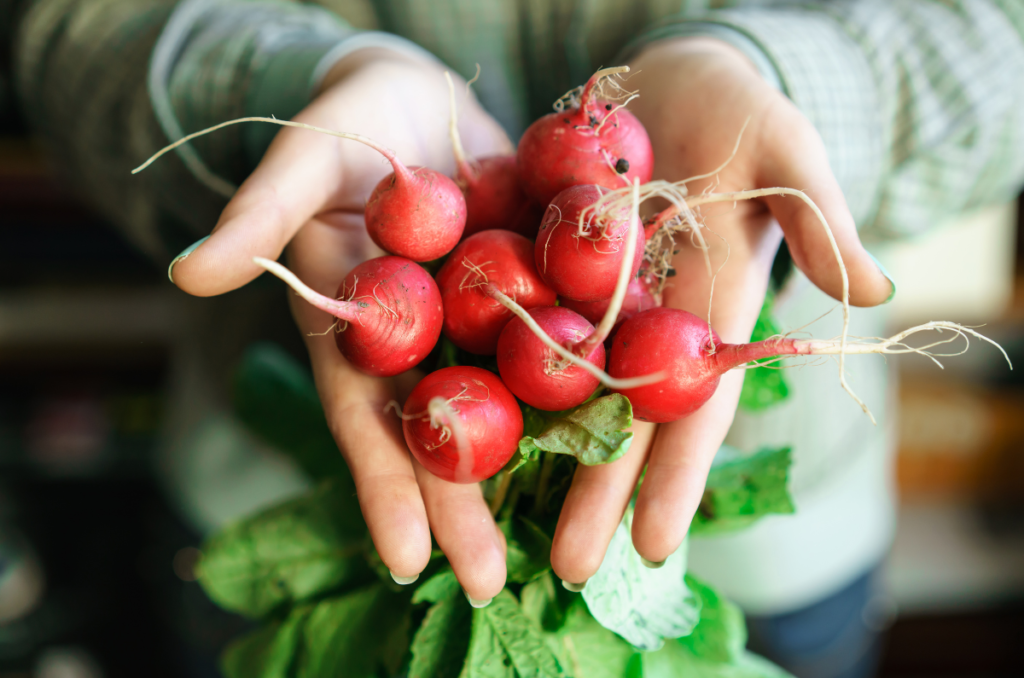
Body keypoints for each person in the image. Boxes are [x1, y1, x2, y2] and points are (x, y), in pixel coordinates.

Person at [6, 1, 1024, 675]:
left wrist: (778, 73)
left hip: (771, 567)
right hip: (275, 477)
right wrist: (285, 88)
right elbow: (60, 26)